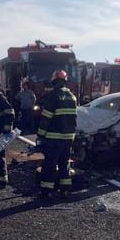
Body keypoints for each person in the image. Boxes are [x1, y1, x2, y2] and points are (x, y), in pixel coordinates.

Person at [37, 70, 77, 198]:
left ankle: (47, 191)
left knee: (49, 164)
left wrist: (41, 135)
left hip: (54, 137)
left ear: (54, 81)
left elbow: (46, 118)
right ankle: (65, 189)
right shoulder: (72, 96)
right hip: (69, 137)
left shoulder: (53, 96)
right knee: (64, 164)